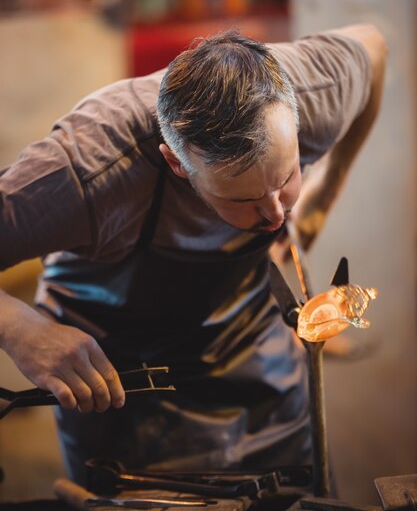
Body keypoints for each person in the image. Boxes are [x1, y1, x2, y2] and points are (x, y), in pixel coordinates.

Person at [0, 24, 386, 485]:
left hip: (258, 359)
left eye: (284, 180)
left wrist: (327, 191)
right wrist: (21, 329)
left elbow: (374, 48)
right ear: (177, 163)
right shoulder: (88, 171)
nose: (276, 215)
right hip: (126, 391)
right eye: (242, 200)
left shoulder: (316, 88)